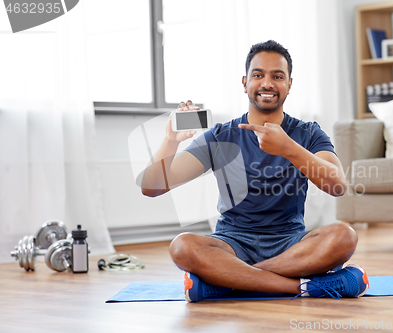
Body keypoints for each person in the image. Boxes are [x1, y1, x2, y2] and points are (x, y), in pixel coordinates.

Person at [141, 40, 369, 302]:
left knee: (344, 237)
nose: (267, 83)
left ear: (289, 84)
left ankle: (228, 281)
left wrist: (288, 148)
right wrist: (171, 140)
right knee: (182, 246)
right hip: (232, 243)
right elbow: (152, 187)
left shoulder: (308, 133)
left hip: (290, 244)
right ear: (245, 82)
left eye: (277, 76)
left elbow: (338, 186)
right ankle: (303, 287)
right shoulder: (221, 136)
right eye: (258, 75)